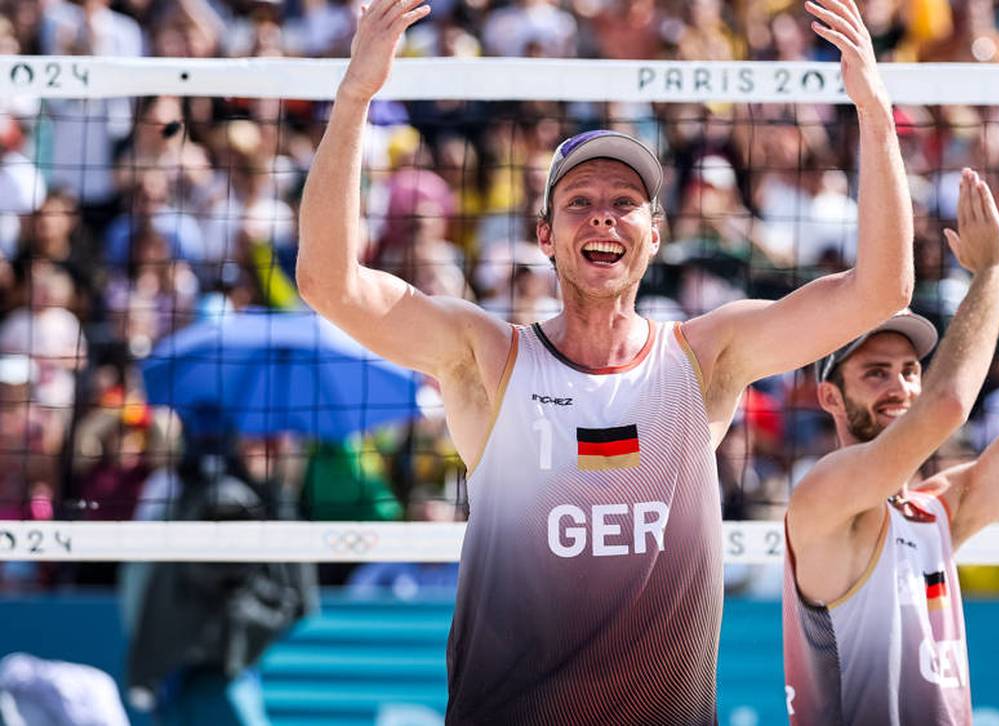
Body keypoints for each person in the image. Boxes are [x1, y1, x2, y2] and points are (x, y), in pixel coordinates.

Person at [297, 0, 914, 721]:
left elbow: (882, 290)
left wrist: (873, 110)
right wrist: (354, 98)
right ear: (545, 236)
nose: (601, 215)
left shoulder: (703, 359)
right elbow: (329, 283)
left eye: (623, 202)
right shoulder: (488, 361)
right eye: (579, 202)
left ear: (653, 237)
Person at [782, 151, 999, 724]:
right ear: (830, 397)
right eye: (875, 373)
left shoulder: (935, 514)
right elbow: (948, 404)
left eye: (908, 370)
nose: (900, 386)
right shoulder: (823, 496)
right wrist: (992, 271)